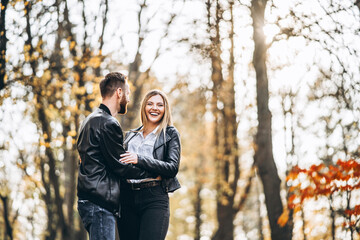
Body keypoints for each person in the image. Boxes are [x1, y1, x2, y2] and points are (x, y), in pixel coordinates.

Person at [76, 72, 155, 240]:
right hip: (100, 203)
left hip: (88, 201)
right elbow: (121, 165)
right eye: (127, 93)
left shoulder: (88, 121)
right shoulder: (108, 123)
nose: (129, 98)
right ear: (119, 92)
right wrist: (151, 175)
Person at [118, 89, 181, 240]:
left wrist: (139, 159)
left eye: (160, 105)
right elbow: (117, 162)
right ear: (144, 108)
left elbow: (172, 168)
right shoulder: (130, 136)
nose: (154, 108)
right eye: (150, 104)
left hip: (154, 197)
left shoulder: (170, 133)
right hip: (127, 197)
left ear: (165, 109)